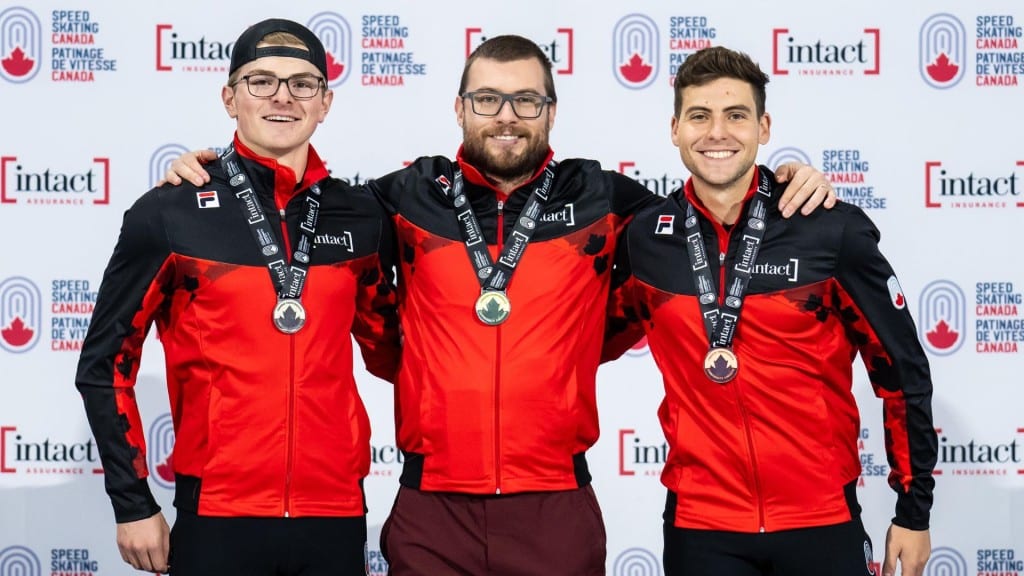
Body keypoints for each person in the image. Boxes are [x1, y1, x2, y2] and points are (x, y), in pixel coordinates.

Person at [164, 35, 834, 575]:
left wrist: (781, 185)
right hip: (432, 511)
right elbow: (297, 209)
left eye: (525, 101)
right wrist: (221, 173)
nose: (506, 116)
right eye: (487, 99)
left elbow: (713, 211)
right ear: (460, 110)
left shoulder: (604, 199)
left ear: (551, 112)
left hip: (555, 510)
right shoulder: (404, 196)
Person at [76, 18, 399, 575]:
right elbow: (104, 366)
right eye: (261, 81)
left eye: (302, 84)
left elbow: (397, 352)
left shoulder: (361, 215)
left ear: (325, 103)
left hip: (336, 514)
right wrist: (132, 503)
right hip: (218, 515)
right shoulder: (171, 211)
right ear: (230, 98)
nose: (282, 97)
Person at [603, 46, 937, 576]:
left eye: (736, 115)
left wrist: (913, 512)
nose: (717, 132)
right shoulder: (647, 238)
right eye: (699, 116)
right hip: (700, 528)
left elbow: (902, 372)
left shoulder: (827, 228)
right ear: (674, 129)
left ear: (763, 127)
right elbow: (579, 340)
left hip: (821, 520)